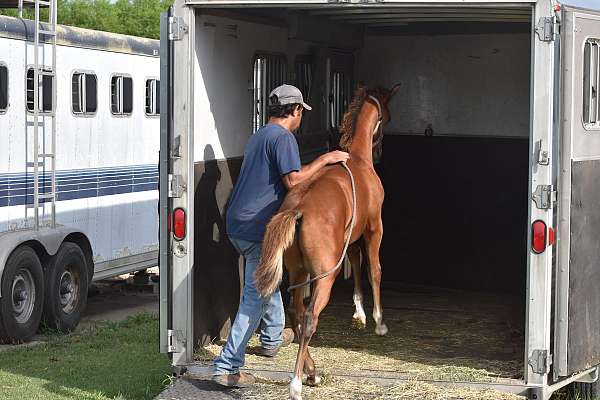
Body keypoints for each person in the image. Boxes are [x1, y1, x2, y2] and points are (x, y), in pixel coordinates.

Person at [213, 84, 350, 387]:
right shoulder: (284, 137)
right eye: (302, 111)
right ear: (296, 110)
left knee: (268, 279)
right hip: (256, 227)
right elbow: (293, 180)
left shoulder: (260, 135)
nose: (302, 116)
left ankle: (273, 338)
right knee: (255, 297)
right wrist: (327, 159)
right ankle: (227, 365)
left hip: (237, 223)